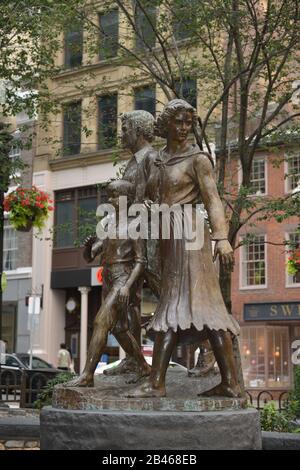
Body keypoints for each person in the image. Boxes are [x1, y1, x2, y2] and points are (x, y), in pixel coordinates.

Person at [124, 99, 241, 399]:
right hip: (166, 234)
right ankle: (230, 382)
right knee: (184, 303)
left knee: (192, 304)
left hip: (189, 234)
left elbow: (212, 200)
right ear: (165, 125)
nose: (184, 127)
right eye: (178, 121)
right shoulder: (156, 159)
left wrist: (222, 237)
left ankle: (157, 383)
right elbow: (150, 195)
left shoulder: (198, 159)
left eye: (189, 122)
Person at [65, 180, 150, 387]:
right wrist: (87, 248)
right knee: (119, 329)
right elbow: (92, 255)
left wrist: (127, 286)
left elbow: (141, 262)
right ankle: (144, 367)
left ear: (127, 198)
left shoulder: (135, 224)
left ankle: (87, 376)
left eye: (114, 195)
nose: (110, 200)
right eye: (109, 196)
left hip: (122, 279)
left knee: (101, 322)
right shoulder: (110, 224)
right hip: (109, 278)